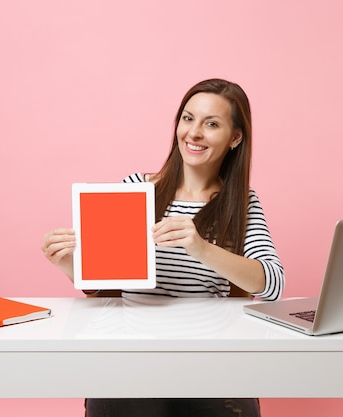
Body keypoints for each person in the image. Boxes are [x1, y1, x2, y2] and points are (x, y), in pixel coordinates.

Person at [41, 78, 285, 417]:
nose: (194, 133)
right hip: (131, 358)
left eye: (211, 124)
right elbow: (102, 283)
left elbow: (271, 284)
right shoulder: (137, 189)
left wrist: (201, 247)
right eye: (188, 119)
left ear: (235, 137)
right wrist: (69, 263)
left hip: (207, 363)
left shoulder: (241, 204)